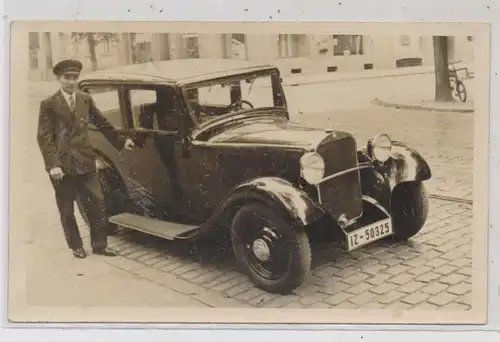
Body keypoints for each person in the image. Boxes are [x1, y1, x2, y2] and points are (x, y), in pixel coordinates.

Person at [37, 59, 136, 259]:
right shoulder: (48, 104)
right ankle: (76, 246)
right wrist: (53, 165)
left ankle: (99, 245)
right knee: (67, 208)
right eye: (67, 78)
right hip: (62, 166)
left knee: (97, 202)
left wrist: (120, 141)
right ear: (59, 78)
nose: (71, 82)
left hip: (85, 161)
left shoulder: (84, 99)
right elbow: (44, 137)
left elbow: (101, 121)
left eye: (74, 78)